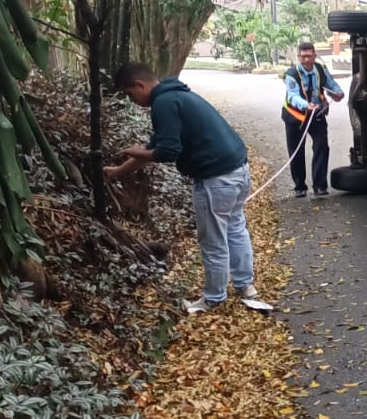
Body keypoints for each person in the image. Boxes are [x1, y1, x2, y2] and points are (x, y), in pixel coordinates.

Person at [105, 64, 257, 313]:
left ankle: (214, 298)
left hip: (215, 178)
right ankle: (245, 286)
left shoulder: (164, 104)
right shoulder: (178, 95)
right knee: (235, 228)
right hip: (238, 171)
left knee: (213, 240)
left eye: (130, 94)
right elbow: (154, 147)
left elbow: (166, 152)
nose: (132, 101)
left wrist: (137, 151)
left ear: (139, 85)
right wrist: (117, 172)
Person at [283, 42, 345, 197]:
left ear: (314, 56)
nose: (306, 60)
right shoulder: (292, 74)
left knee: (322, 146)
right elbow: (292, 95)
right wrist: (306, 105)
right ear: (298, 57)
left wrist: (337, 93)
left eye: (309, 56)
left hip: (316, 116)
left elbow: (330, 84)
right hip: (295, 116)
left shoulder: (320, 69)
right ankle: (300, 187)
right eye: (303, 56)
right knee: (296, 152)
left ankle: (320, 185)